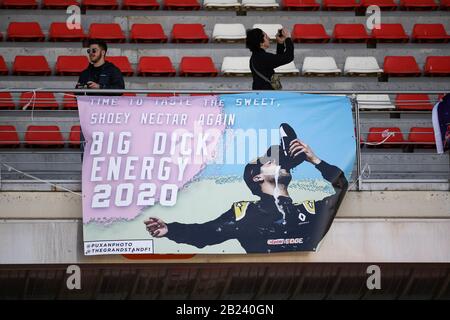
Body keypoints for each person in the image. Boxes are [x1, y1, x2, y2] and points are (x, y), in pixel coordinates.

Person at [144, 126, 348, 253]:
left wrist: (315, 160)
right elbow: (204, 233)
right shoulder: (244, 214)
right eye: (271, 162)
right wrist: (171, 229)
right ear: (257, 177)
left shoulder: (310, 210)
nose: (279, 163)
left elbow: (341, 186)